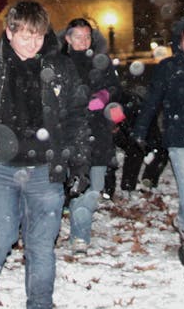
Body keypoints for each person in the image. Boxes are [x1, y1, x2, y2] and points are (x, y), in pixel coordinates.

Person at [0, 1, 91, 309]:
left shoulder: (59, 67)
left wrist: (79, 165)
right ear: (9, 31)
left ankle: (40, 304)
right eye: (25, 35)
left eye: (38, 35)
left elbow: (75, 118)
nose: (32, 43)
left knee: (41, 246)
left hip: (45, 168)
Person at [131, 17, 184, 263]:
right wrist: (140, 130)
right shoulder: (168, 67)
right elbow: (152, 100)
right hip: (179, 135)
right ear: (179, 42)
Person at [61, 18, 124, 254]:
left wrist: (105, 96)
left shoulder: (101, 62)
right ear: (68, 38)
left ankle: (79, 224)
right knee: (77, 184)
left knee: (94, 186)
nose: (83, 41)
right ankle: (80, 234)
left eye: (87, 36)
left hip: (98, 133)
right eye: (78, 36)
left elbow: (117, 87)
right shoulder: (60, 63)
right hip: (70, 133)